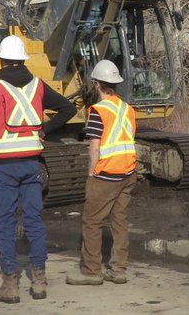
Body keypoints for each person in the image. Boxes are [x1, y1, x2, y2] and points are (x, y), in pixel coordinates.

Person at [0, 35, 76, 303]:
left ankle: (10, 286)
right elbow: (68, 108)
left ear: (2, 59)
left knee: (7, 224)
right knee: (34, 221)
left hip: (4, 168)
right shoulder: (38, 86)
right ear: (22, 59)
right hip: (32, 164)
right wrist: (45, 129)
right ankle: (40, 282)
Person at [66, 60, 138, 286]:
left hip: (107, 172)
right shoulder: (127, 109)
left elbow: (95, 146)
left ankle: (91, 271)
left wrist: (91, 173)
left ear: (97, 84)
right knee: (119, 219)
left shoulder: (98, 111)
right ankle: (118, 270)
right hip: (129, 171)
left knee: (92, 220)